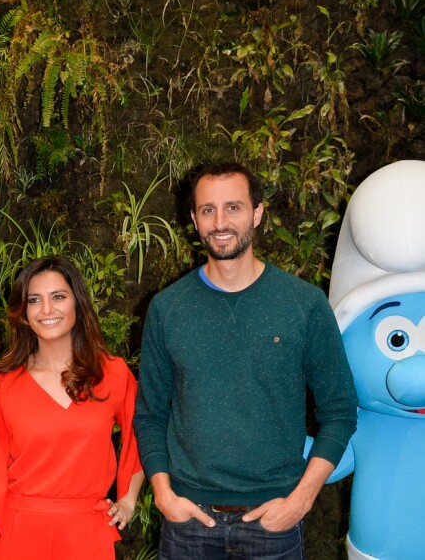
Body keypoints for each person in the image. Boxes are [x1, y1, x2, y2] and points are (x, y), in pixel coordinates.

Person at [134, 162, 358, 559]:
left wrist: (301, 500)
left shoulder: (303, 305)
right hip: (188, 524)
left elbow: (340, 411)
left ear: (257, 212)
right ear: (194, 218)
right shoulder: (167, 309)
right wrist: (164, 494)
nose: (220, 222)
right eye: (208, 210)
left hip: (272, 523)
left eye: (233, 208)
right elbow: (150, 414)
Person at [0, 255, 144, 559]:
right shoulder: (4, 385)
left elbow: (143, 437)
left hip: (86, 534)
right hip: (18, 534)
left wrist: (128, 500)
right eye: (34, 300)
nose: (47, 310)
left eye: (58, 297)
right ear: (24, 314)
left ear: (77, 304)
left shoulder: (113, 374)